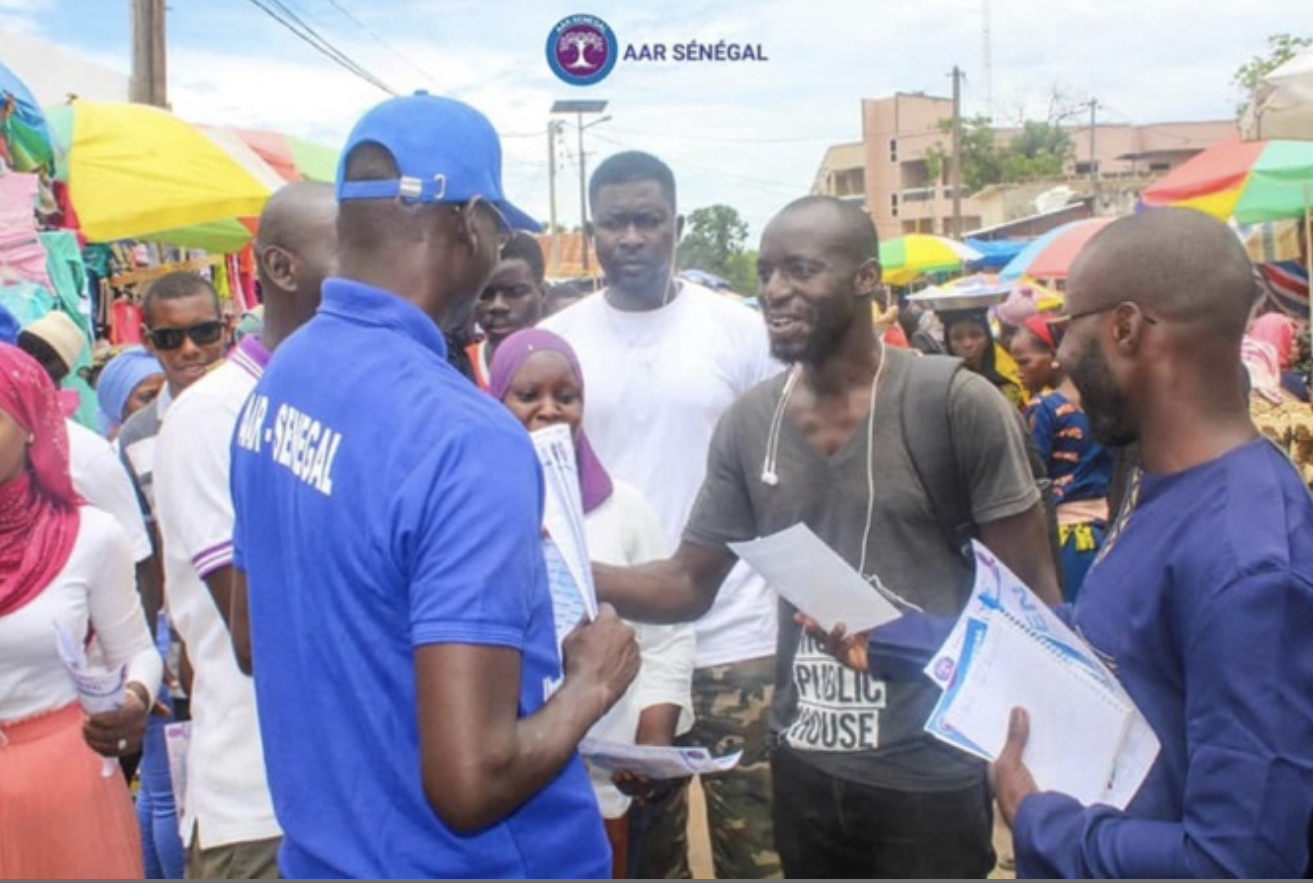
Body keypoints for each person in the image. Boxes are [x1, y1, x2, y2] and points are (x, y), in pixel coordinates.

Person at [228, 91, 639, 879]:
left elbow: (254, 641)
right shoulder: (465, 437)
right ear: (469, 223)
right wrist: (591, 682)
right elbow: (470, 783)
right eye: (497, 232)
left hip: (326, 860)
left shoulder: (282, 382)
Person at [595, 195, 1059, 879]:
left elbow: (1033, 603)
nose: (775, 292)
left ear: (866, 279)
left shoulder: (953, 405)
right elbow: (687, 583)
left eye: (801, 270)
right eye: (765, 273)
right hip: (803, 764)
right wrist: (570, 568)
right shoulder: (750, 423)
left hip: (929, 768)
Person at [990, 208, 1313, 878]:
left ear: (1124, 328)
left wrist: (1041, 820)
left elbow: (1238, 861)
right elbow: (1116, 640)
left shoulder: (1248, 563)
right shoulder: (1160, 484)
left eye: (1064, 327)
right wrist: (899, 641)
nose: (1060, 354)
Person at [540, 150, 782, 880]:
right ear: (593, 232)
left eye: (648, 220)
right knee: (642, 857)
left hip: (738, 638)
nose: (633, 237)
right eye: (616, 223)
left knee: (761, 856)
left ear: (675, 226)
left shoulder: (738, 330)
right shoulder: (563, 341)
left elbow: (778, 471)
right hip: (618, 647)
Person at [154, 182, 338, 879]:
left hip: (346, 795)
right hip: (259, 808)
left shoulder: (331, 397)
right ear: (283, 270)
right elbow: (258, 629)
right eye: (352, 249)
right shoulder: (212, 415)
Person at [489, 328, 695, 877]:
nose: (550, 410)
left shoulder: (623, 509)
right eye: (527, 395)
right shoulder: (476, 512)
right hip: (508, 783)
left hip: (607, 789)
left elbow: (668, 637)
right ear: (496, 403)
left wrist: (651, 744)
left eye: (567, 396)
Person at [0, 343, 162, 879]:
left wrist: (135, 698)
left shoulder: (88, 536)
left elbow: (136, 649)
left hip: (64, 785)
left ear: (28, 424)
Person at [1010, 315, 1112, 599]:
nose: (1019, 372)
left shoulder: (1043, 409)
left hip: (1062, 539)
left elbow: (1031, 478)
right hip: (1104, 534)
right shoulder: (1104, 406)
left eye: (1024, 361)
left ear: (1054, 356)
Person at [467, 232, 546, 389]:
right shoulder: (456, 369)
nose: (497, 305)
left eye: (515, 292)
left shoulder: (570, 362)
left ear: (542, 294)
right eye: (484, 294)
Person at [941, 306, 1027, 409]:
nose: (967, 344)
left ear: (987, 340)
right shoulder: (942, 392)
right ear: (948, 343)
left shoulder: (1006, 389)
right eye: (957, 337)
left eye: (975, 335)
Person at [96, 347, 165, 440]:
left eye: (167, 394)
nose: (162, 404)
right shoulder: (98, 452)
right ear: (118, 404)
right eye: (148, 398)